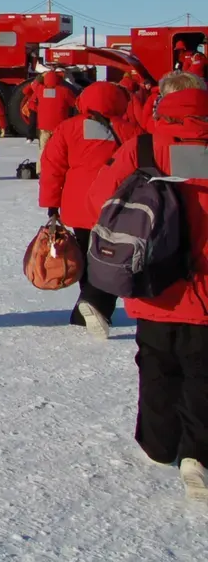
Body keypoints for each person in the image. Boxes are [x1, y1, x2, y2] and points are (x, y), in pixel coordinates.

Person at [85, 72, 208, 504]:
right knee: (202, 372)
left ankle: (159, 446)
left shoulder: (140, 148)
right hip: (206, 291)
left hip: (154, 283)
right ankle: (198, 454)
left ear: (163, 103)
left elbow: (97, 199)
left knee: (156, 365)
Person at [38, 80, 139, 336]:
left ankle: (87, 308)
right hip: (116, 206)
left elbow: (52, 166)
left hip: (77, 204)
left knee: (84, 255)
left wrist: (52, 203)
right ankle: (93, 306)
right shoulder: (129, 131)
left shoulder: (67, 128)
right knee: (110, 257)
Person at [28, 70, 79, 152]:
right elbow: (76, 104)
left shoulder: (39, 90)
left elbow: (33, 86)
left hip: (43, 127)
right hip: (59, 128)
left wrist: (40, 76)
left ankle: (42, 164)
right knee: (59, 152)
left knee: (43, 152)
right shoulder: (65, 91)